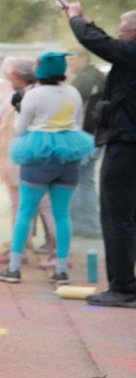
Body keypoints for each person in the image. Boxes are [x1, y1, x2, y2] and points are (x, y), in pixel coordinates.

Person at [0, 52, 95, 285]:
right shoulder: (73, 92)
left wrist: (19, 108)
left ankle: (14, 268)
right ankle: (61, 270)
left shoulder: (34, 95)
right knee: (62, 214)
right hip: (69, 154)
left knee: (25, 211)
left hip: (37, 155)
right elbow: (75, 121)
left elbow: (20, 130)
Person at [66, 3, 136, 307]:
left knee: (116, 216)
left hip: (126, 145)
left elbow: (97, 42)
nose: (118, 35)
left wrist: (76, 18)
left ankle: (122, 287)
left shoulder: (131, 53)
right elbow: (104, 41)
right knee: (128, 216)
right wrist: (84, 20)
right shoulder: (129, 53)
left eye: (122, 30)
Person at [0, 57, 57, 265]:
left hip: (26, 158)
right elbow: (1, 115)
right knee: (29, 206)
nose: (8, 76)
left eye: (11, 73)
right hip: (23, 158)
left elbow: (12, 122)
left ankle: (55, 252)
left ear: (17, 76)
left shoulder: (29, 96)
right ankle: (24, 248)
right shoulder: (25, 94)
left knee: (40, 206)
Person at [66, 46, 106, 238]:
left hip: (84, 136)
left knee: (78, 180)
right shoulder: (96, 75)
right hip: (95, 136)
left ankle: (83, 223)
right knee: (86, 180)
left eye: (72, 59)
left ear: (83, 58)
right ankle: (91, 222)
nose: (69, 64)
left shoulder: (86, 78)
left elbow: (69, 103)